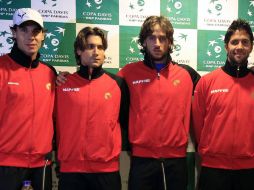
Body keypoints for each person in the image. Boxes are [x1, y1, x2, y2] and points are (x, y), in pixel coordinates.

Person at [117, 15, 200, 190]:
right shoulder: (128, 73)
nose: (157, 43)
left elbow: (218, 89)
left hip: (176, 161)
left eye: (162, 38)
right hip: (141, 160)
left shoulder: (187, 75)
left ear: (170, 42)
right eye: (152, 38)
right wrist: (66, 79)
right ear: (144, 42)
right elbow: (102, 91)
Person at [55, 26, 129, 190]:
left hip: (106, 171)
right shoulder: (62, 84)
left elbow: (125, 122)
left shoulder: (118, 84)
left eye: (100, 47)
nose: (96, 52)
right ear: (79, 51)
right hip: (71, 170)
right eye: (90, 46)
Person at [192, 19, 254, 190]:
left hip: (249, 170)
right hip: (213, 169)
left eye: (245, 42)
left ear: (251, 47)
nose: (239, 46)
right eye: (234, 42)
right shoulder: (207, 82)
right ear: (226, 46)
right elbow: (198, 124)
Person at [0, 8, 56, 190]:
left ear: (43, 36)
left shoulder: (50, 73)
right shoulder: (1, 68)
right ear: (14, 33)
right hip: (6, 164)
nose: (30, 36)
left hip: (42, 164)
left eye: (36, 31)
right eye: (24, 30)